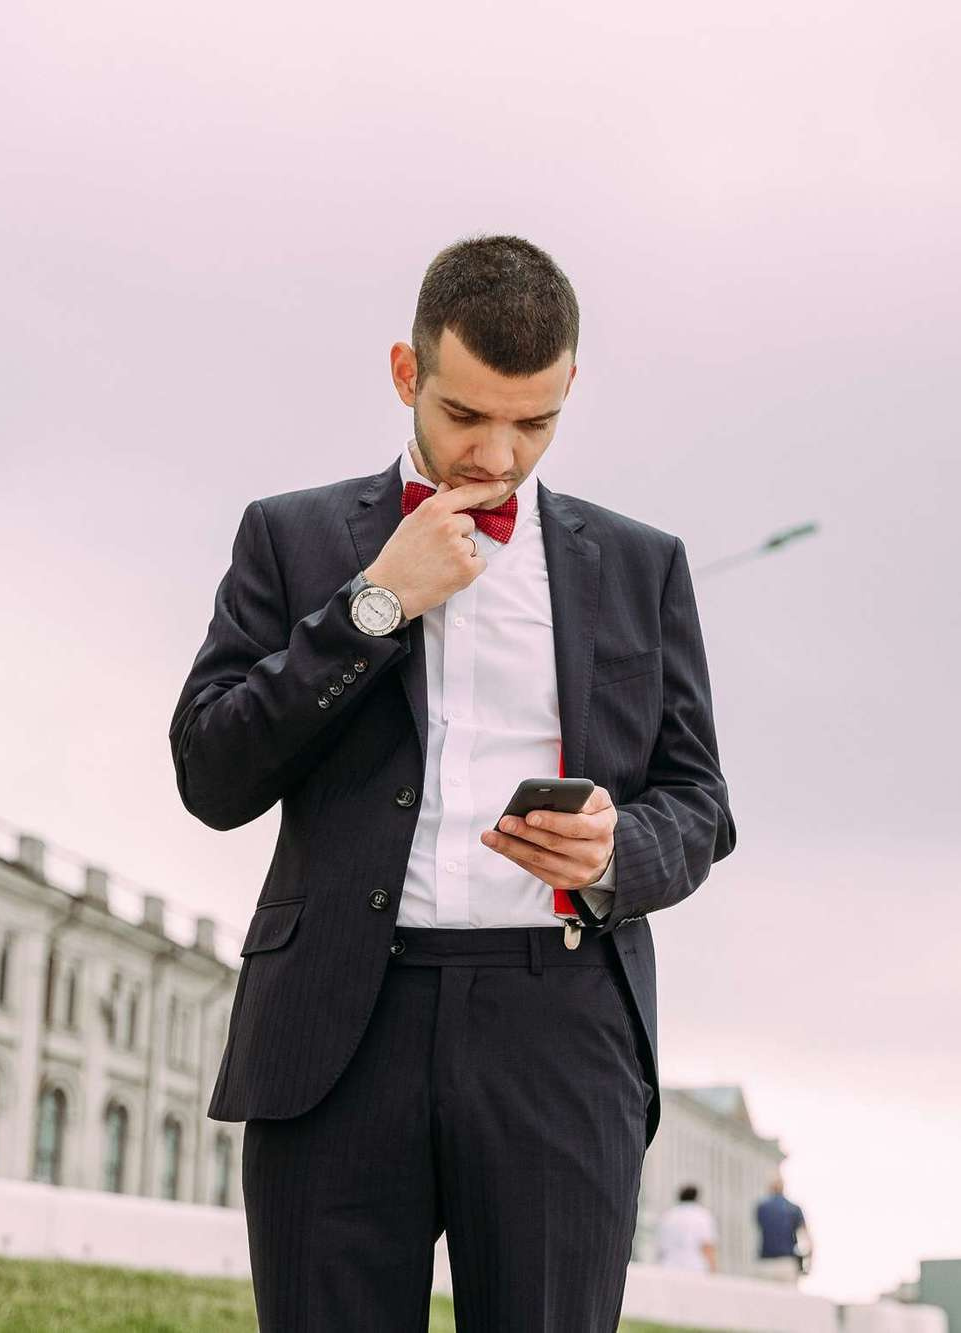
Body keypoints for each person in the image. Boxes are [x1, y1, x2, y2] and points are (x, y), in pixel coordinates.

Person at [169, 234, 736, 1332]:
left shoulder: (638, 564)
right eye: (465, 414)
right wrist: (373, 604)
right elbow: (211, 769)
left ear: (569, 385)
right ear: (404, 372)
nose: (495, 453)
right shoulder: (291, 539)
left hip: (559, 1028)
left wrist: (620, 848)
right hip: (339, 1021)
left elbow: (699, 802)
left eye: (534, 422)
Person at [753, 1176, 810, 1283]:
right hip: (787, 1262)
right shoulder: (793, 1208)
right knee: (788, 1298)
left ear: (770, 1187)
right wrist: (807, 1262)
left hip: (765, 1262)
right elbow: (806, 1236)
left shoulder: (762, 1208)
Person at [654, 1184, 719, 1274]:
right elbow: (707, 1245)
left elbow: (661, 1247)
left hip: (669, 1267)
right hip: (695, 1269)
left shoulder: (668, 1216)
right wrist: (713, 1269)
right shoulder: (702, 1216)